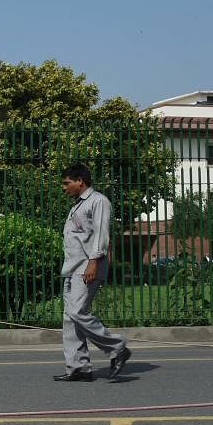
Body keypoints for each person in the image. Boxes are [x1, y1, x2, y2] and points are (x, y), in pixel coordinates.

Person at [53, 163, 131, 382]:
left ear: (81, 181)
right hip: (73, 268)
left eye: (67, 183)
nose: (64, 187)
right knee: (70, 319)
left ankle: (117, 347)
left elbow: (101, 234)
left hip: (88, 267)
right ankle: (78, 367)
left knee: (77, 312)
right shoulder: (77, 206)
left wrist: (94, 261)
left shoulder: (98, 201)